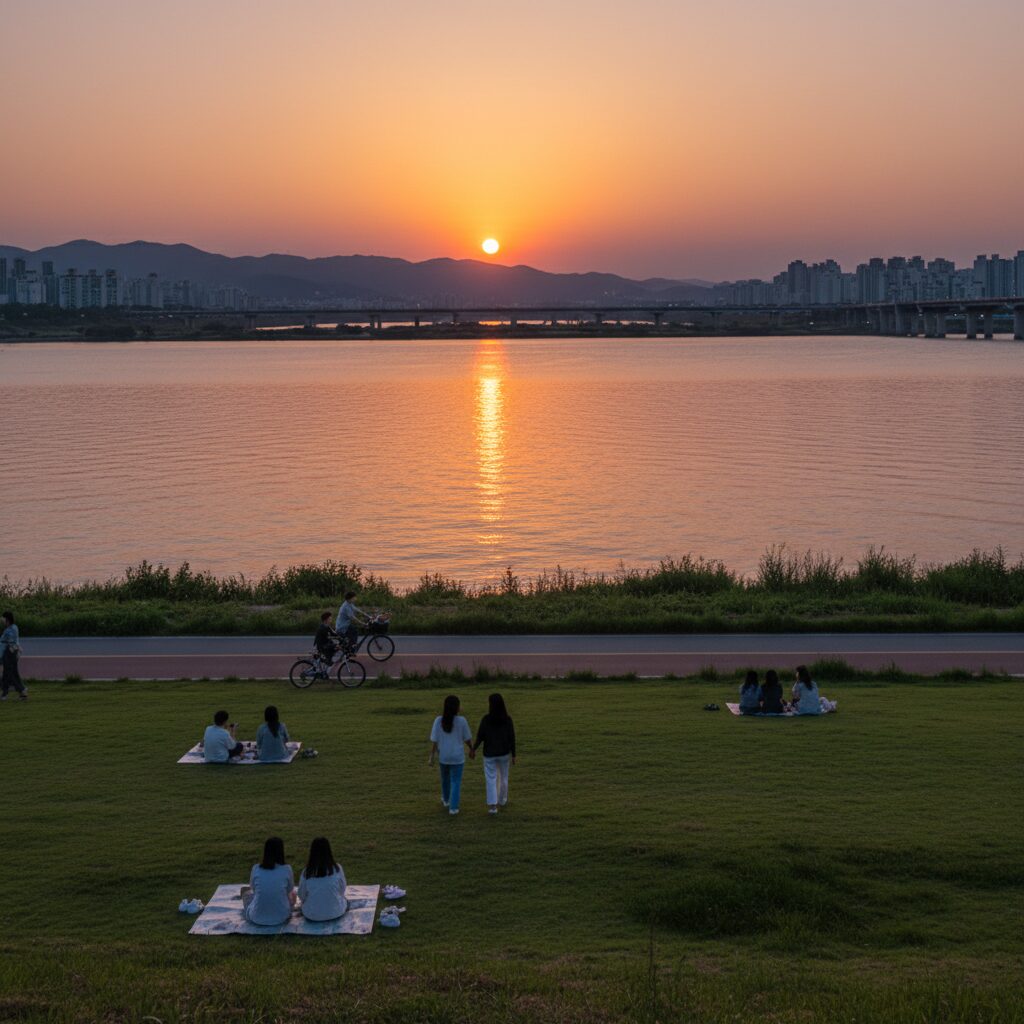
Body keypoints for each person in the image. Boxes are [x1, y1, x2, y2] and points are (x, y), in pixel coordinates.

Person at [428, 694, 474, 815]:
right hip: (457, 757)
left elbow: (435, 741)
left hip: (443, 756)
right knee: (455, 781)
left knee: (445, 779)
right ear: (457, 707)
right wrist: (471, 749)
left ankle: (446, 800)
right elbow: (467, 739)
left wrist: (431, 756)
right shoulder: (462, 721)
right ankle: (453, 808)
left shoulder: (438, 720)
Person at [471, 692, 516, 814]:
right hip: (504, 753)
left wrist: (473, 749)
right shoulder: (507, 719)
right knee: (504, 777)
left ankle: (492, 806)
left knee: (491, 779)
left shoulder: (486, 719)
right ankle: (502, 800)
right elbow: (512, 737)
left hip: (489, 754)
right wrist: (514, 754)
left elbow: (480, 736)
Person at [243, 837, 295, 926]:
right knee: (293, 895)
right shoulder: (287, 869)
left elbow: (254, 890)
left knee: (246, 894)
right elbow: (289, 890)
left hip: (256, 917)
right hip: (282, 917)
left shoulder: (256, 868)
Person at [297, 836, 347, 922]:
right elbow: (342, 890)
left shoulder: (307, 872)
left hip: (311, 915)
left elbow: (301, 895)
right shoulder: (337, 868)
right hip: (336, 912)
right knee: (345, 901)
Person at [0, 611, 27, 701]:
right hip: (7, 653)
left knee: (11, 673)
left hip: (10, 653)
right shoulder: (12, 628)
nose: (2, 621)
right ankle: (5, 693)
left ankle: (22, 691)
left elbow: (11, 643)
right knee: (7, 673)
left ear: (7, 619)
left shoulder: (11, 629)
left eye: (3, 619)